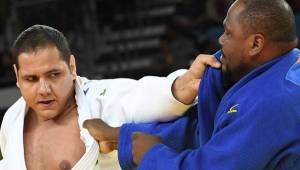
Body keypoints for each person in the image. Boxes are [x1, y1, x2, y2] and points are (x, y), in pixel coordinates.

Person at [84, 0, 300, 169]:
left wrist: (152, 154)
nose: (221, 40)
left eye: (228, 32)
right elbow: (203, 131)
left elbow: (210, 165)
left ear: (255, 44)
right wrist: (121, 136)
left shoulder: (274, 100)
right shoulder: (270, 72)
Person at [0, 25, 221, 170]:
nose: (44, 89)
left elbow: (140, 96)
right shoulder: (13, 118)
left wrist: (183, 86)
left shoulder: (100, 100)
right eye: (31, 79)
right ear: (18, 77)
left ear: (72, 67)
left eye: (53, 74)